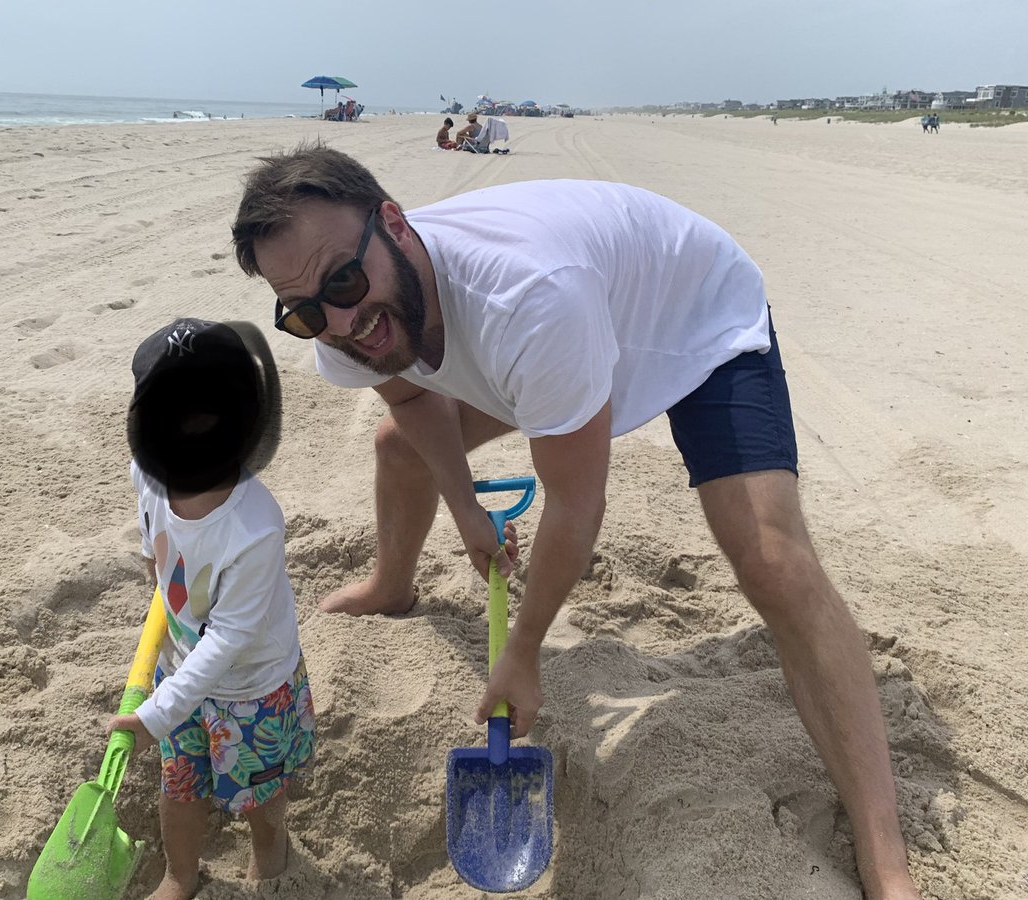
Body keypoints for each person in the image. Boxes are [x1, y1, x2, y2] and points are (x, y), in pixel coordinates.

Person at [229, 146, 923, 900]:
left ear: (393, 225)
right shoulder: (347, 326)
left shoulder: (527, 296)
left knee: (773, 565)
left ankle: (886, 860)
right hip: (573, 327)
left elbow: (576, 502)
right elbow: (411, 401)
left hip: (694, 320)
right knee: (401, 448)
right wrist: (467, 515)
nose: (340, 320)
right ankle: (393, 585)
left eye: (343, 281)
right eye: (303, 310)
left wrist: (523, 650)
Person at [107, 318, 314, 899]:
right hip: (181, 672)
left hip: (253, 685)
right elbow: (155, 543)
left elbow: (229, 638)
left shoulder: (254, 527)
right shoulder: (147, 477)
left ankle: (270, 851)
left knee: (259, 788)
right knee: (180, 783)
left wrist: (156, 715)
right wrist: (156, 567)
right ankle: (180, 872)